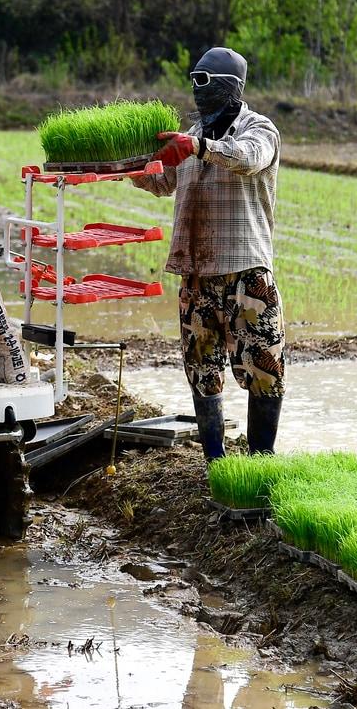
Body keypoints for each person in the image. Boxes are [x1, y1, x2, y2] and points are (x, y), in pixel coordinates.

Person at [132, 46, 284, 461]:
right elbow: (162, 183)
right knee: (202, 370)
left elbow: (249, 159)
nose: (197, 91)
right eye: (193, 81)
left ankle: (260, 461)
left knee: (262, 369)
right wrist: (131, 165)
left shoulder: (258, 129)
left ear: (233, 87)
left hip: (244, 273)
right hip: (195, 276)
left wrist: (198, 147)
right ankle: (215, 461)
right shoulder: (192, 135)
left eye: (205, 81)